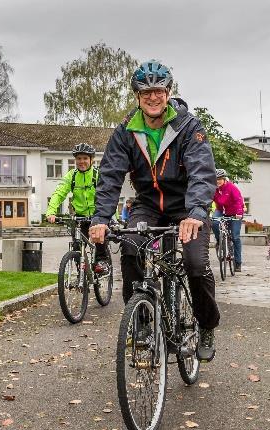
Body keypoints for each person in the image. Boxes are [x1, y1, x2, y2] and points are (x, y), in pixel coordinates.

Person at [88, 59, 220, 361]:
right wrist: (100, 220)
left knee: (195, 265)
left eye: (158, 90)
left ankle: (207, 324)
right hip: (148, 205)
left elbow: (202, 172)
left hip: (187, 206)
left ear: (168, 91)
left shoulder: (188, 127)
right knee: (131, 249)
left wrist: (197, 213)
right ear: (137, 96)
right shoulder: (125, 131)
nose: (152, 97)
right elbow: (109, 176)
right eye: (145, 92)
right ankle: (143, 322)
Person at [46, 143, 109, 274]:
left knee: (99, 240)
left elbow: (107, 197)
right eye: (79, 158)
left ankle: (102, 262)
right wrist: (51, 211)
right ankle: (81, 268)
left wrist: (111, 217)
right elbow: (59, 193)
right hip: (80, 216)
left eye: (85, 158)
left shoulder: (98, 175)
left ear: (91, 160)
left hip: (97, 216)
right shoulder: (71, 176)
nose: (82, 161)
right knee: (77, 246)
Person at [211, 168, 244, 272]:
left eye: (220, 179)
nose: (217, 181)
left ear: (224, 179)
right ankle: (219, 240)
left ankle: (238, 262)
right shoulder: (213, 189)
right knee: (214, 222)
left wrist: (239, 213)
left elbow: (239, 200)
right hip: (220, 211)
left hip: (234, 213)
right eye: (216, 179)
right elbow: (207, 200)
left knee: (235, 237)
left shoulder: (231, 187)